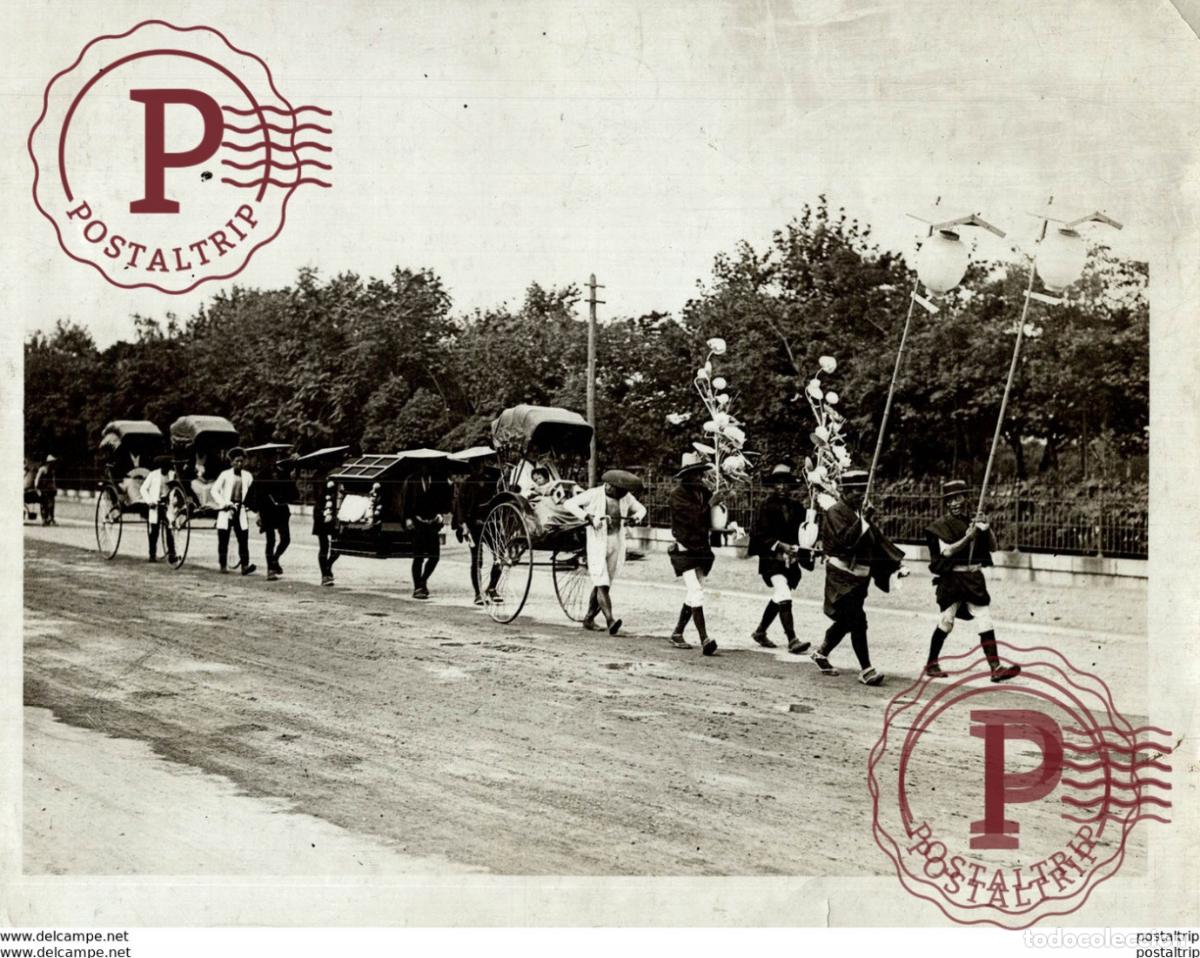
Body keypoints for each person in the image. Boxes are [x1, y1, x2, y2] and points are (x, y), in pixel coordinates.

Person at [809, 469, 906, 686]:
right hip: (841, 576)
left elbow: (877, 541)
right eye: (855, 493)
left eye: (862, 493)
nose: (860, 497)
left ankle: (821, 653)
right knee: (857, 620)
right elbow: (847, 541)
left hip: (860, 577)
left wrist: (896, 564)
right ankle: (866, 669)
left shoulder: (859, 514)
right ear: (845, 492)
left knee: (846, 621)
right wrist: (864, 520)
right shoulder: (835, 513)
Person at [923, 480, 1020, 683]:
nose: (956, 503)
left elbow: (993, 547)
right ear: (947, 503)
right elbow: (947, 551)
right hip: (952, 579)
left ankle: (995, 667)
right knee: (946, 622)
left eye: (960, 498)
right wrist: (970, 536)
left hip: (974, 578)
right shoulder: (939, 527)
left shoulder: (972, 521)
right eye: (952, 500)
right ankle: (931, 663)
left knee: (985, 618)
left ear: (965, 499)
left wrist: (986, 528)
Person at [564, 469, 647, 636]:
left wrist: (635, 518)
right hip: (597, 542)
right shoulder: (593, 494)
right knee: (601, 582)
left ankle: (589, 618)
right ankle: (611, 620)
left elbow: (642, 509)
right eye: (618, 490)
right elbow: (569, 504)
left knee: (605, 581)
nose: (620, 494)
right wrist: (588, 516)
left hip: (616, 541)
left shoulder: (625, 497)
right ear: (609, 485)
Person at [747, 464, 814, 654]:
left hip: (790, 561)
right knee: (783, 592)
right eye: (778, 483)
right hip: (771, 559)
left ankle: (760, 631)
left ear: (791, 486)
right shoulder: (765, 506)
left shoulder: (798, 508)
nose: (782, 487)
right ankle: (792, 639)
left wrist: (808, 541)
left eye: (786, 483)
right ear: (773, 485)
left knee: (779, 595)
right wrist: (779, 545)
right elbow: (758, 534)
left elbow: (804, 534)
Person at [666, 452, 721, 656]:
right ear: (685, 476)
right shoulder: (677, 495)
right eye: (695, 474)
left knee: (694, 593)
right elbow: (692, 519)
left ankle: (678, 632)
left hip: (701, 549)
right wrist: (711, 504)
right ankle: (704, 638)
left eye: (700, 473)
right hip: (684, 549)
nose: (699, 478)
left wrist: (721, 501)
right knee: (696, 592)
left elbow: (711, 516)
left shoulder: (703, 492)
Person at [452, 451, 501, 605]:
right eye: (476, 465)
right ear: (471, 467)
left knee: (500, 556)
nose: (479, 468)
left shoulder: (491, 480)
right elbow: (459, 506)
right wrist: (463, 525)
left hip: (491, 524)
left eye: (481, 465)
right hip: (474, 525)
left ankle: (492, 587)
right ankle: (478, 593)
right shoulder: (466, 484)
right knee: (476, 560)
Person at [403, 460, 451, 599]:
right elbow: (405, 500)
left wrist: (441, 515)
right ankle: (417, 586)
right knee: (418, 557)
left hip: (432, 521)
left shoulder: (437, 480)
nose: (425, 468)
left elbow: (443, 500)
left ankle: (423, 580)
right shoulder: (412, 480)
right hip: (417, 521)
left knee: (434, 557)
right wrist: (407, 518)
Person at [250, 453, 298, 582]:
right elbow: (257, 495)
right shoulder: (263, 473)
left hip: (281, 510)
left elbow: (293, 494)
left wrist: (292, 480)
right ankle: (270, 569)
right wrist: (258, 513)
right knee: (270, 540)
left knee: (286, 539)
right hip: (267, 510)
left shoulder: (285, 474)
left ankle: (275, 559)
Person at [211, 447, 257, 575]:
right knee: (223, 538)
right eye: (237, 461)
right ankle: (223, 564)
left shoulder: (248, 476)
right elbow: (214, 490)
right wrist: (223, 503)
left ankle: (245, 565)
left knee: (243, 539)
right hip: (226, 509)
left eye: (241, 461)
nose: (239, 464)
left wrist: (250, 505)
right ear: (231, 462)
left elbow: (252, 493)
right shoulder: (225, 475)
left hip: (240, 510)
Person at [139, 455, 177, 563]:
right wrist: (149, 501)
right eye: (164, 467)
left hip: (167, 506)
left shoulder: (172, 475)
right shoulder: (153, 475)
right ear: (161, 466)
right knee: (154, 531)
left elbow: (175, 490)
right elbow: (143, 489)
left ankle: (172, 554)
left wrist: (172, 501)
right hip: (155, 505)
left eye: (168, 467)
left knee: (169, 531)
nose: (166, 469)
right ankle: (152, 554)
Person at [34, 455, 58, 526]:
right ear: (48, 462)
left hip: (50, 490)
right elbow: (37, 479)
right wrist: (37, 488)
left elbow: (53, 481)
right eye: (52, 462)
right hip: (44, 490)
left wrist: (55, 488)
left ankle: (51, 518)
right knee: (44, 505)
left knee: (51, 505)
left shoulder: (52, 471)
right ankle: (44, 519)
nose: (53, 464)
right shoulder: (43, 469)